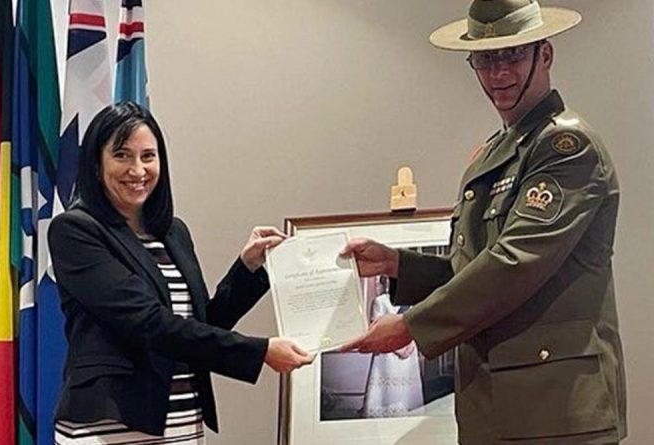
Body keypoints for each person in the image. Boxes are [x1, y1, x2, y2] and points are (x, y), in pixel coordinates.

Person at [340, 1, 627, 444]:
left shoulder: (567, 146)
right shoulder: (498, 150)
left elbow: (515, 263)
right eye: (486, 59)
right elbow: (475, 266)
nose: (498, 74)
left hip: (556, 409)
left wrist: (410, 327)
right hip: (493, 403)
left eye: (512, 55)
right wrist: (396, 265)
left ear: (544, 55)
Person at [48, 102, 313, 445]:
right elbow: (148, 322)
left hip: (182, 422)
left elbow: (201, 326)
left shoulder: (173, 232)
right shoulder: (74, 230)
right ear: (97, 165)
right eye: (122, 155)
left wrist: (247, 267)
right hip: (110, 427)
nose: (138, 169)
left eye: (148, 156)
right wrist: (259, 351)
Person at [361, 275, 423, 418]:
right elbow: (376, 330)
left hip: (409, 351)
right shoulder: (380, 301)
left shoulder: (410, 303)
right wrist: (398, 347)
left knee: (405, 392)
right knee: (387, 390)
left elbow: (415, 325)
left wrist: (410, 343)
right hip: (387, 353)